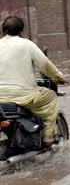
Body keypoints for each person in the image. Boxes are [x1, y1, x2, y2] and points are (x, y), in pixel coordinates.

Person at [0, 15, 65, 147]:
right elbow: (45, 65)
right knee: (51, 96)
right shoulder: (27, 45)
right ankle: (48, 137)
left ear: (3, 30)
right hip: (24, 96)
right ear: (21, 31)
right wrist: (59, 78)